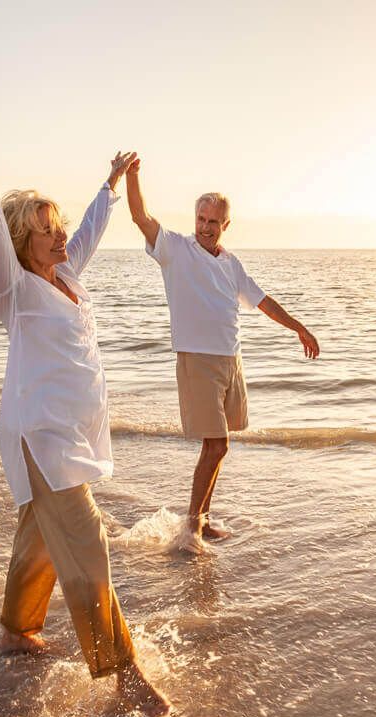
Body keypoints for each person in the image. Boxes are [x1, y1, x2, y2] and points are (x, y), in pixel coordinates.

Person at [0, 55, 170, 717]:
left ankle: (16, 628)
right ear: (21, 241)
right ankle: (123, 673)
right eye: (43, 229)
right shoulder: (11, 289)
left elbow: (93, 229)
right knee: (84, 536)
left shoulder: (66, 277)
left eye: (57, 224)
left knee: (41, 538)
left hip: (67, 431)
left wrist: (108, 186)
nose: (58, 234)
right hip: (40, 436)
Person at [124, 157, 320, 551]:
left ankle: (202, 520)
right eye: (201, 218)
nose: (205, 227)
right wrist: (133, 176)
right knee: (217, 445)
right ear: (194, 218)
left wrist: (298, 327)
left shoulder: (231, 263)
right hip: (197, 359)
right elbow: (140, 216)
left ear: (225, 225)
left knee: (218, 444)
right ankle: (192, 528)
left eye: (213, 221)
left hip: (231, 360)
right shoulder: (176, 250)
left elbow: (263, 302)